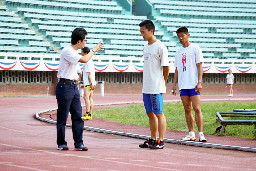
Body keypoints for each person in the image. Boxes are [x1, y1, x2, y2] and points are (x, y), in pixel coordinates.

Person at [56, 28, 103, 151]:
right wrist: (94, 50)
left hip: (73, 86)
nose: (85, 43)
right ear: (79, 41)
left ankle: (79, 143)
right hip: (64, 86)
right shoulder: (67, 51)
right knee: (63, 117)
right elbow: (85, 59)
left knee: (77, 115)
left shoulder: (74, 54)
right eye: (85, 40)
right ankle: (61, 143)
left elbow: (78, 71)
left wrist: (79, 79)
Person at [172, 27, 207, 142]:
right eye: (178, 36)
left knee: (197, 108)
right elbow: (176, 69)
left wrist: (199, 82)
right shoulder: (178, 51)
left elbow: (199, 66)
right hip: (183, 85)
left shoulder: (195, 48)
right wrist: (174, 84)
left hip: (193, 84)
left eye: (182, 35)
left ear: (188, 35)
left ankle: (201, 134)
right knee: (187, 109)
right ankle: (191, 133)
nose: (180, 38)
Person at [138, 20, 169, 149]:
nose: (142, 35)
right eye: (140, 32)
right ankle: (152, 138)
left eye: (143, 32)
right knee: (150, 113)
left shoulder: (160, 46)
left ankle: (160, 140)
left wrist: (163, 82)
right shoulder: (145, 47)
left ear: (151, 31)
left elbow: (166, 67)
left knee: (158, 113)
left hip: (156, 87)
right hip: (146, 87)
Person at [81, 47, 96, 120]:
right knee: (90, 98)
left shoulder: (87, 61)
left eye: (81, 51)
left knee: (86, 98)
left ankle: (87, 113)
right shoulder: (90, 61)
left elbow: (89, 74)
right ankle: (90, 114)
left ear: (85, 53)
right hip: (91, 82)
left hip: (88, 83)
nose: (81, 52)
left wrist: (90, 83)